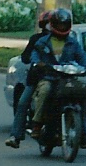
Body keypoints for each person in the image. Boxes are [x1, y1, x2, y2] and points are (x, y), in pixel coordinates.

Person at [8, 8, 86, 149]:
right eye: (57, 24)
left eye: (64, 24)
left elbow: (82, 56)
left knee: (84, 94)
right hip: (45, 77)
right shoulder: (40, 41)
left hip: (66, 78)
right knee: (40, 92)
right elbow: (32, 56)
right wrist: (38, 64)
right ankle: (29, 128)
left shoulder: (72, 42)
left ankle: (85, 135)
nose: (60, 27)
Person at [6, 10, 53, 148]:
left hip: (60, 77)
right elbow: (26, 57)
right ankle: (16, 135)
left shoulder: (67, 40)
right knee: (22, 102)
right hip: (37, 78)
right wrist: (37, 62)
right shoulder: (36, 40)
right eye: (49, 23)